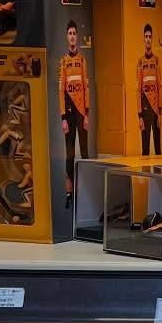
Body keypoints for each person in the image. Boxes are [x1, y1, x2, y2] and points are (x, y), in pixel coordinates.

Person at [58, 20, 91, 201]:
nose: (72, 36)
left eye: (74, 33)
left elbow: (86, 87)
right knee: (70, 154)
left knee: (84, 152)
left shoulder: (82, 60)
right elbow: (60, 91)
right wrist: (63, 117)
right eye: (69, 33)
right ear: (67, 37)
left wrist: (86, 114)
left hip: (81, 113)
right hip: (69, 114)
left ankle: (86, 187)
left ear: (77, 37)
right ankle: (70, 190)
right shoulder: (63, 61)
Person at [136, 21, 162, 156]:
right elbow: (138, 90)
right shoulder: (140, 62)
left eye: (150, 37)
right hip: (145, 109)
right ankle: (145, 170)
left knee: (158, 148)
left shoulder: (156, 61)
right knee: (145, 149)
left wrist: (160, 113)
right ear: (143, 39)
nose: (148, 39)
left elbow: (159, 87)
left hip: (156, 110)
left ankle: (158, 170)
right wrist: (139, 116)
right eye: (146, 36)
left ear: (152, 39)